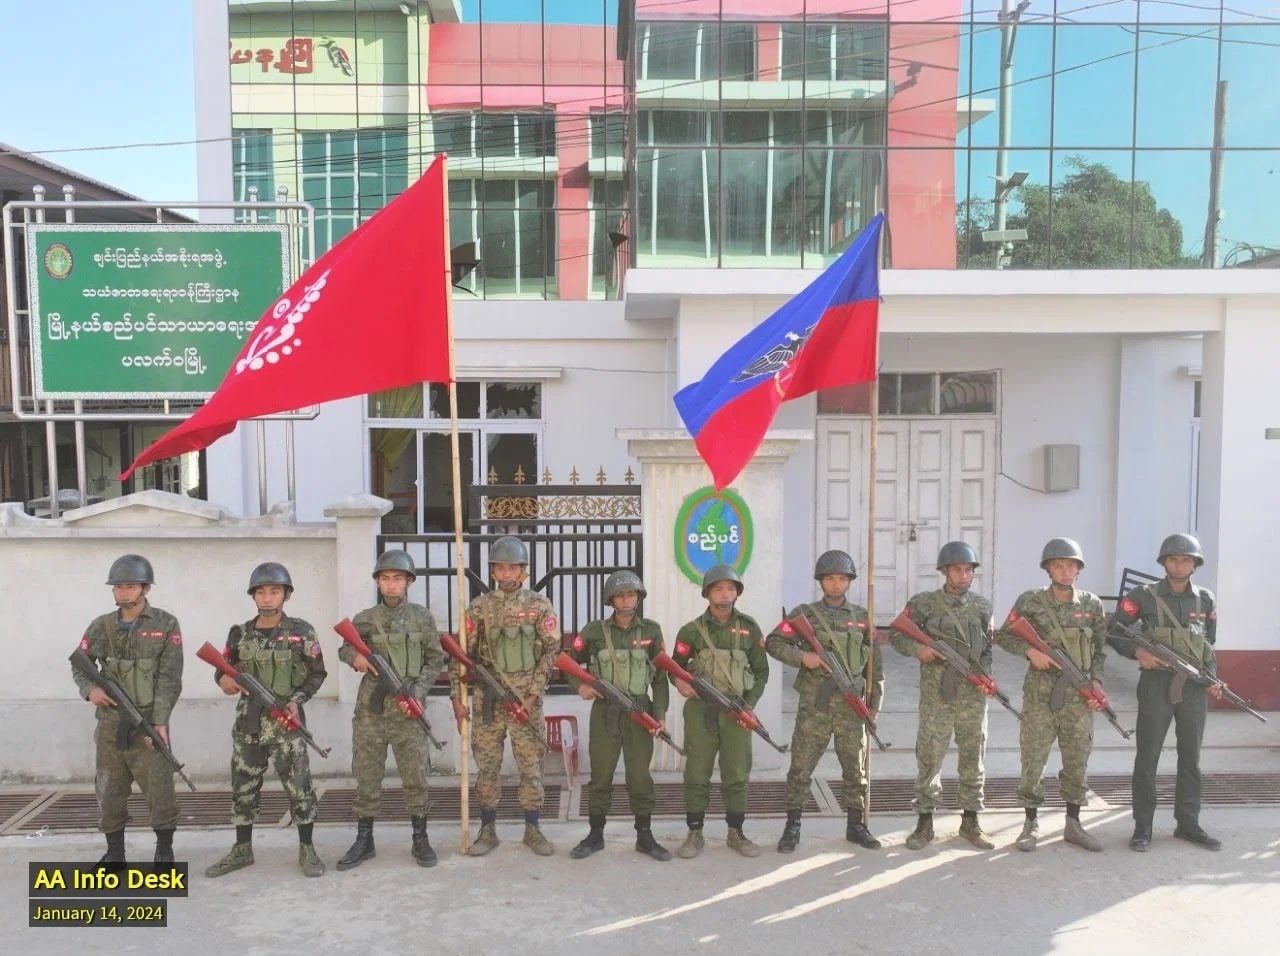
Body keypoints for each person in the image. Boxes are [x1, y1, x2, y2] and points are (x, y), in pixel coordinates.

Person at [206, 562, 327, 878]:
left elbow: (317, 674)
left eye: (274, 591)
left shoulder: (302, 632)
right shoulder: (240, 634)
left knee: (300, 788)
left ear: (286, 594)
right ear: (253, 596)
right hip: (248, 726)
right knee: (243, 787)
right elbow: (222, 667)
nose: (267, 598)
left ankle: (307, 849)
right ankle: (242, 849)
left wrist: (296, 701)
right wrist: (224, 681)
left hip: (287, 726)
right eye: (261, 592)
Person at [1108, 533, 1224, 852]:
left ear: (1195, 564)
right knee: (1147, 758)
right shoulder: (1143, 596)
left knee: (1191, 758)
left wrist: (1213, 677)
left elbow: (1207, 645)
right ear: (1163, 563)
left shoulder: (1205, 599)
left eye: (1187, 559)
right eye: (1173, 559)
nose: (1180, 564)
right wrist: (1138, 654)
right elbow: (1114, 632)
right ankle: (1142, 828)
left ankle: (1188, 824)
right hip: (1157, 684)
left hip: (1193, 690)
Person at [995, 538, 1109, 852]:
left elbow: (1100, 649)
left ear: (1079, 569)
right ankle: (1030, 824)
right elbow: (1004, 636)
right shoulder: (1030, 601)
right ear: (1048, 568)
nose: (1066, 570)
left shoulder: (1091, 604)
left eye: (1071, 565)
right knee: (1033, 758)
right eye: (1058, 565)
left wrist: (1096, 680)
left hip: (1079, 695)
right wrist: (1029, 650)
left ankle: (1074, 823)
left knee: (1077, 759)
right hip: (1040, 694)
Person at [767, 549, 883, 854]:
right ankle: (792, 826)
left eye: (842, 579)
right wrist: (803, 657)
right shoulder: (804, 615)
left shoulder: (861, 617)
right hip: (815, 706)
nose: (835, 584)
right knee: (801, 766)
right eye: (830, 578)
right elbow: (774, 642)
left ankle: (856, 825)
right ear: (821, 581)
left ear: (849, 582)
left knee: (855, 768)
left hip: (850, 705)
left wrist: (874, 703)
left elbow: (875, 666)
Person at [450, 536, 561, 856]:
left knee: (531, 766)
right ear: (494, 572)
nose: (507, 573)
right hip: (488, 702)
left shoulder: (539, 605)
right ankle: (487, 829)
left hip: (527, 702)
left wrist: (534, 692)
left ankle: (533, 827)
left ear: (523, 571)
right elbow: (460, 655)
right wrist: (458, 700)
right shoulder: (479, 608)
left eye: (513, 568)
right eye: (501, 568)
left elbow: (552, 650)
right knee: (487, 767)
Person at [337, 549, 445, 870]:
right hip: (371, 712)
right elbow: (345, 647)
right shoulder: (365, 619)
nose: (391, 585)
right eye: (385, 579)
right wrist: (355, 658)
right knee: (367, 775)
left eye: (397, 579)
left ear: (408, 582)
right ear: (378, 583)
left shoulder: (422, 618)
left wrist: (419, 690)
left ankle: (420, 838)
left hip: (408, 711)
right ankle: (364, 839)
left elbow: (435, 659)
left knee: (415, 775)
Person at [72, 554, 183, 867]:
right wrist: (90, 690)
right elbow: (80, 665)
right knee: (109, 788)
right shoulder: (101, 627)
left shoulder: (165, 624)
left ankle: (164, 850)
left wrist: (160, 720)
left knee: (159, 786)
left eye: (131, 586)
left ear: (145, 588)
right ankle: (115, 853)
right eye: (118, 587)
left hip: (147, 719)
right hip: (110, 724)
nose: (124, 592)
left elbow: (170, 677)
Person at [890, 541, 996, 851]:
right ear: (944, 571)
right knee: (930, 755)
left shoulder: (982, 606)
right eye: (957, 570)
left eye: (968, 570)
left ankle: (971, 820)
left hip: (972, 696)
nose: (963, 576)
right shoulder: (924, 604)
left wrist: (987, 677)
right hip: (937, 694)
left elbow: (987, 648)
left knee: (973, 756)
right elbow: (897, 634)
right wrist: (918, 648)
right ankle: (924, 822)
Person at [566, 570, 672, 861]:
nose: (626, 600)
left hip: (640, 712)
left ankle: (645, 836)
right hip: (605, 713)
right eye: (620, 595)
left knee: (639, 776)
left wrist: (659, 713)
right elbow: (568, 661)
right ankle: (595, 834)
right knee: (601, 776)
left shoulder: (651, 631)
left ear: (639, 597)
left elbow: (661, 676)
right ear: (610, 599)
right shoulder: (593, 631)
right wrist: (581, 685)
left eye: (631, 594)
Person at [671, 564, 769, 859]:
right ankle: (694, 833)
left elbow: (761, 672)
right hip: (701, 712)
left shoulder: (749, 628)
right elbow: (674, 667)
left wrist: (748, 705)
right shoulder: (691, 631)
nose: (724, 594)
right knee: (697, 773)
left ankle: (736, 833)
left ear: (737, 593)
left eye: (730, 588)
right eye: (718, 588)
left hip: (736, 712)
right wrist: (678, 681)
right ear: (707, 593)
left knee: (737, 773)